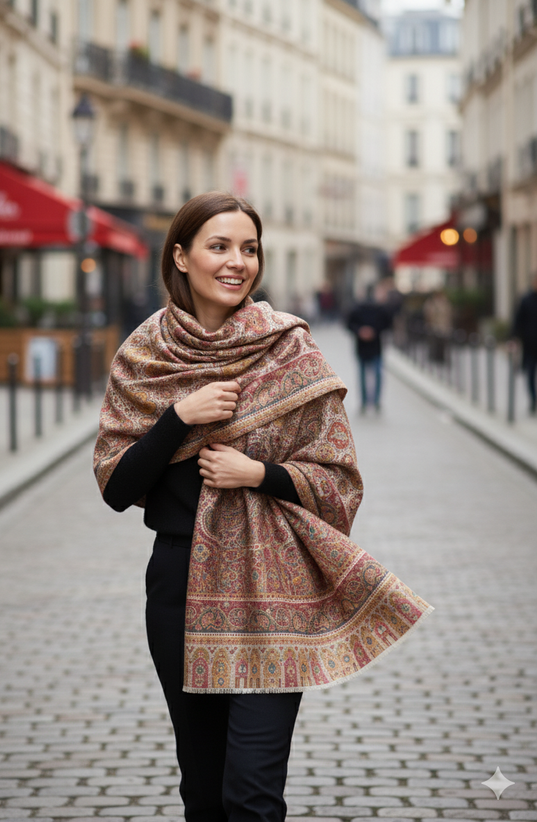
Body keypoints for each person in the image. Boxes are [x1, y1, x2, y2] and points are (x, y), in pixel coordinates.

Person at [94, 192, 433, 822]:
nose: (237, 261)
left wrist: (260, 473)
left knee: (251, 794)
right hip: (178, 588)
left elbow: (340, 484)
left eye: (248, 248)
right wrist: (177, 419)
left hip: (274, 590)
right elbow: (116, 486)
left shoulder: (290, 352)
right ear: (181, 256)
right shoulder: (145, 355)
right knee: (202, 792)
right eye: (219, 246)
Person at [346, 286, 392, 412]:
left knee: (367, 374)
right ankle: (369, 401)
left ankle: (368, 402)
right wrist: (364, 331)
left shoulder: (361, 308)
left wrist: (364, 331)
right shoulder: (376, 309)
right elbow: (387, 323)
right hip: (368, 347)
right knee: (370, 374)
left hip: (371, 347)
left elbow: (349, 323)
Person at [512, 273, 537, 414]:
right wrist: (514, 337)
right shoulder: (526, 300)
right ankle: (533, 399)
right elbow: (518, 320)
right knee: (530, 374)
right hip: (530, 345)